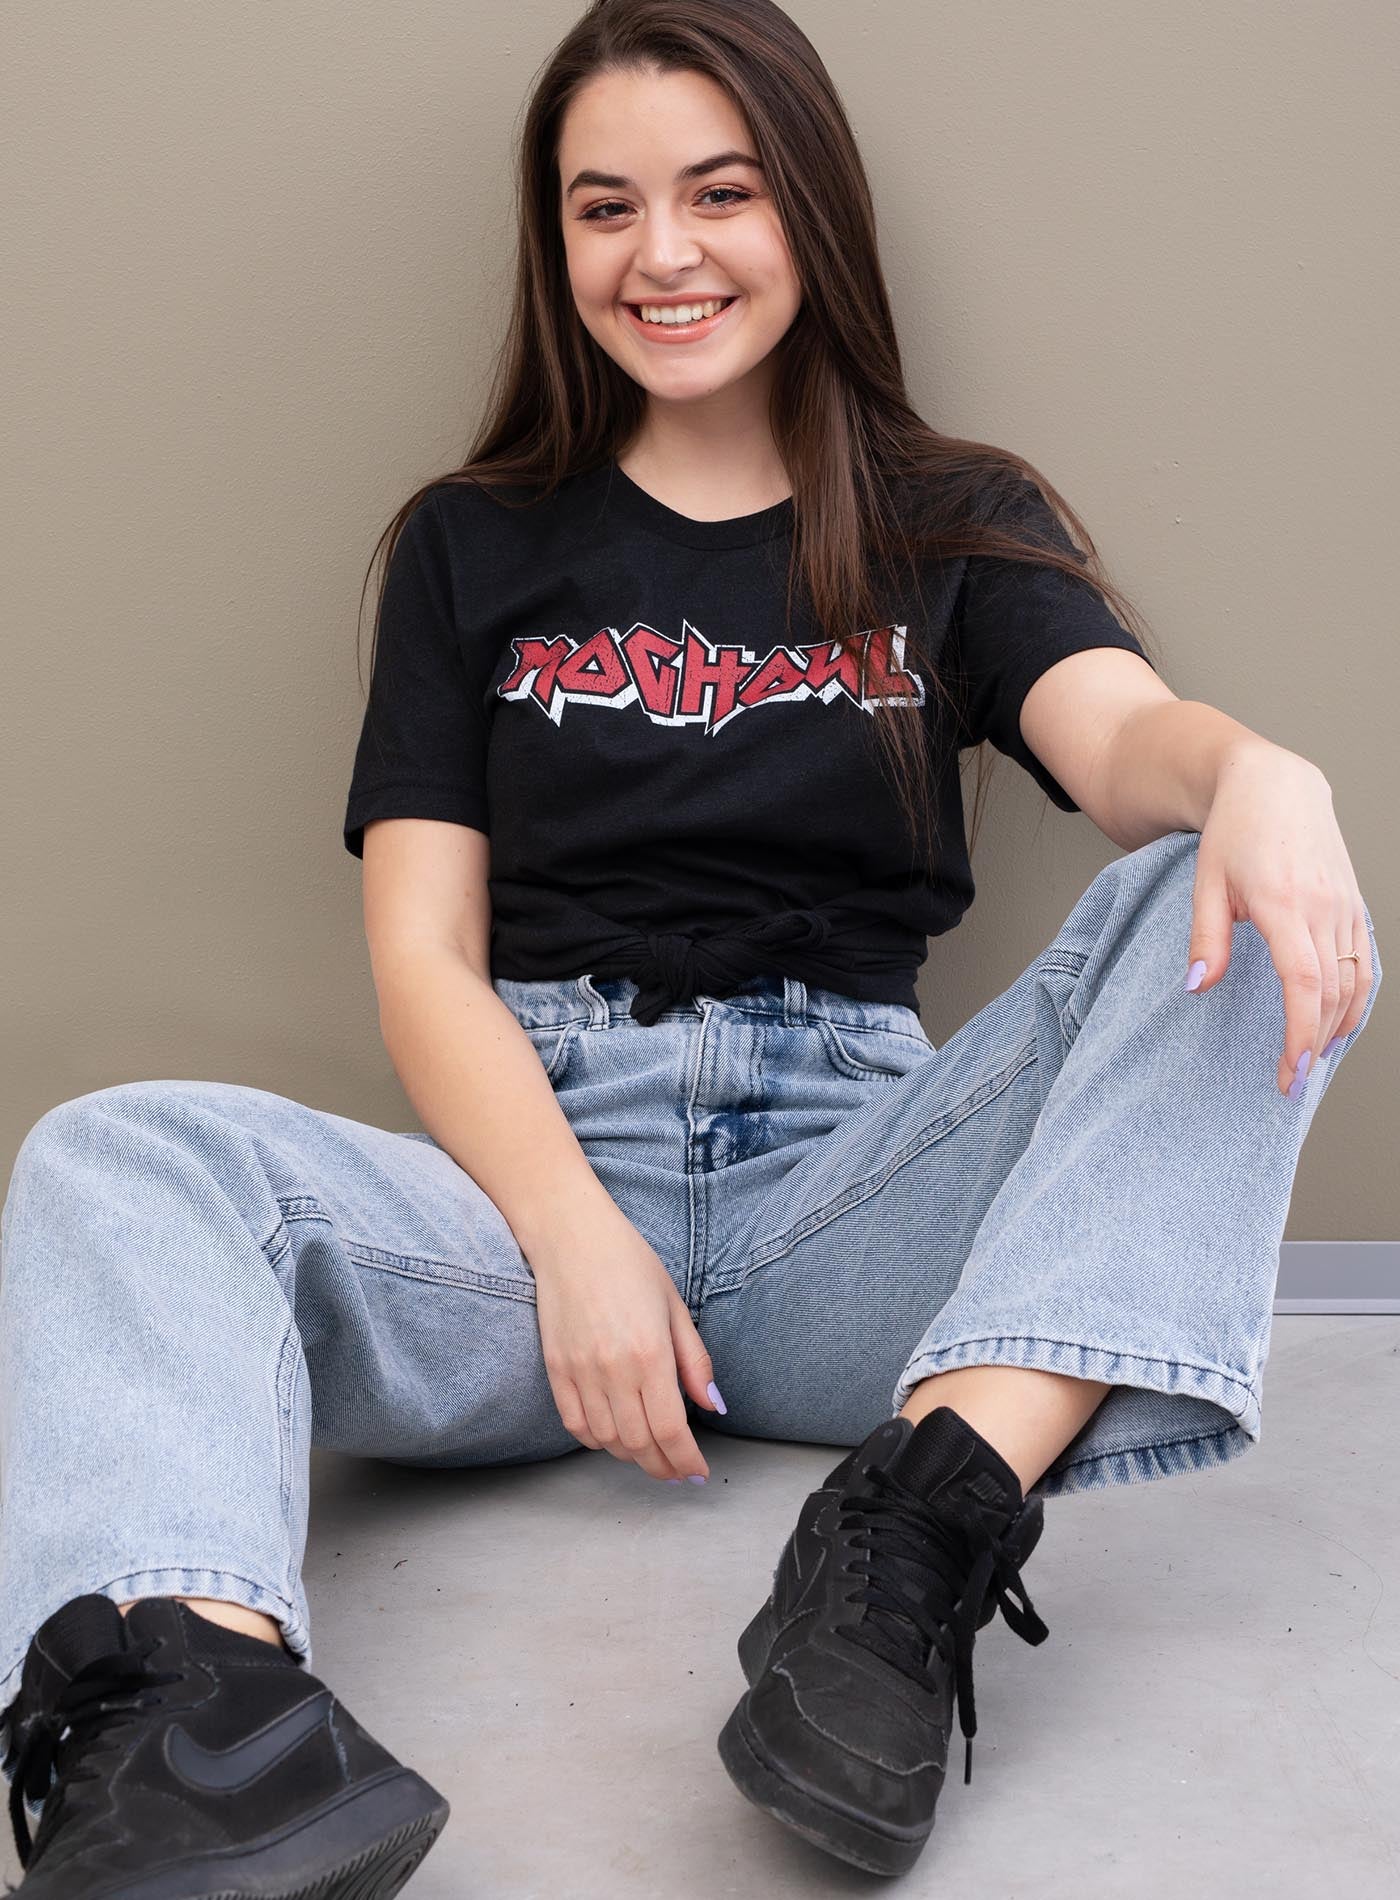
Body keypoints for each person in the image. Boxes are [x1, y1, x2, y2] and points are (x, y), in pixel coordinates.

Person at [0, 0, 1381, 1889]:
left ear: (806, 207)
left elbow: (1127, 745)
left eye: (720, 192)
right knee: (111, 1154)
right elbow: (424, 954)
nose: (663, 254)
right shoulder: (472, 548)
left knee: (1215, 893)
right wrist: (572, 1236)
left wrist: (1258, 774)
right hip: (536, 1189)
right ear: (553, 242)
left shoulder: (953, 521)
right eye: (603, 207)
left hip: (854, 1205)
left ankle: (910, 1551)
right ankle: (198, 1735)